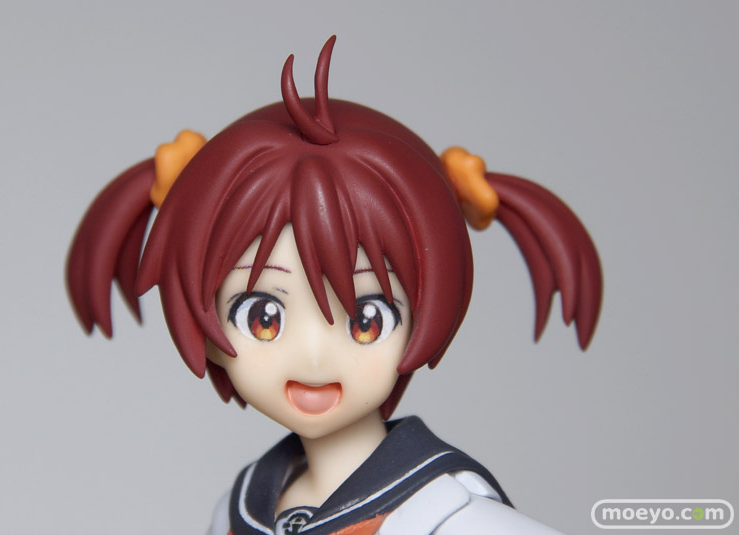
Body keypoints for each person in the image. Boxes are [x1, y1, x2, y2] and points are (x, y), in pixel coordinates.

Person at [67, 37, 602, 535]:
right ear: (204, 323)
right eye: (263, 317)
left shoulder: (446, 515)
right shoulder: (241, 508)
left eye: (367, 320)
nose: (314, 358)